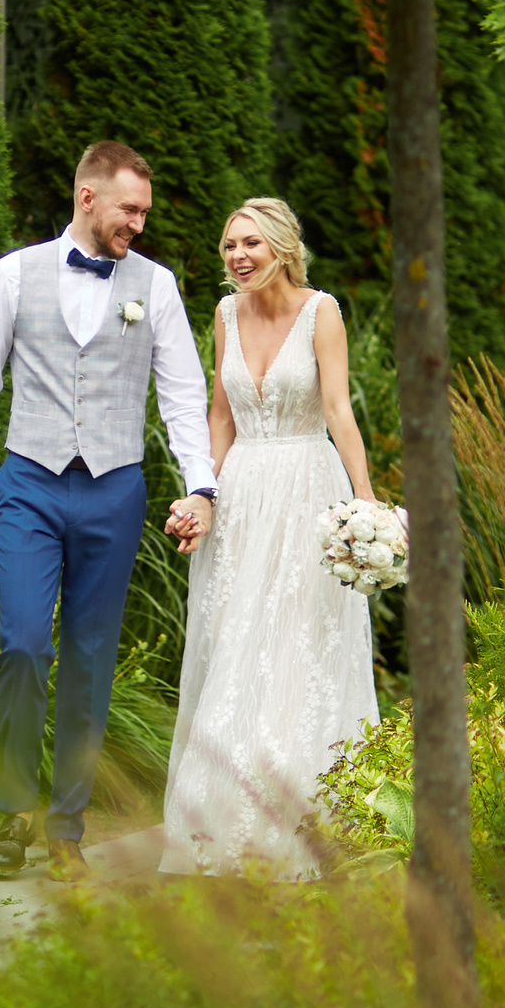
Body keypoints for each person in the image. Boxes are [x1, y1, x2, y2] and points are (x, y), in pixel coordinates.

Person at [0, 142, 219, 881]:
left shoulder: (158, 286)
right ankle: (15, 806)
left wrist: (202, 486)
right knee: (23, 642)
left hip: (114, 490)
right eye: (130, 209)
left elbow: (184, 395)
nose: (139, 225)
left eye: (145, 212)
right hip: (30, 481)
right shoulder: (14, 274)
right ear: (88, 197)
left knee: (90, 659)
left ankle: (66, 828)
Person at [159, 197, 381, 876]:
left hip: (309, 491)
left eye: (250, 244)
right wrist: (203, 493)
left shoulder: (323, 311)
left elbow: (339, 410)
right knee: (235, 647)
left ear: (282, 247)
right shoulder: (226, 314)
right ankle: (221, 821)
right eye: (229, 246)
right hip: (244, 494)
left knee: (295, 649)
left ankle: (302, 823)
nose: (238, 257)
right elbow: (220, 416)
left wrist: (366, 504)